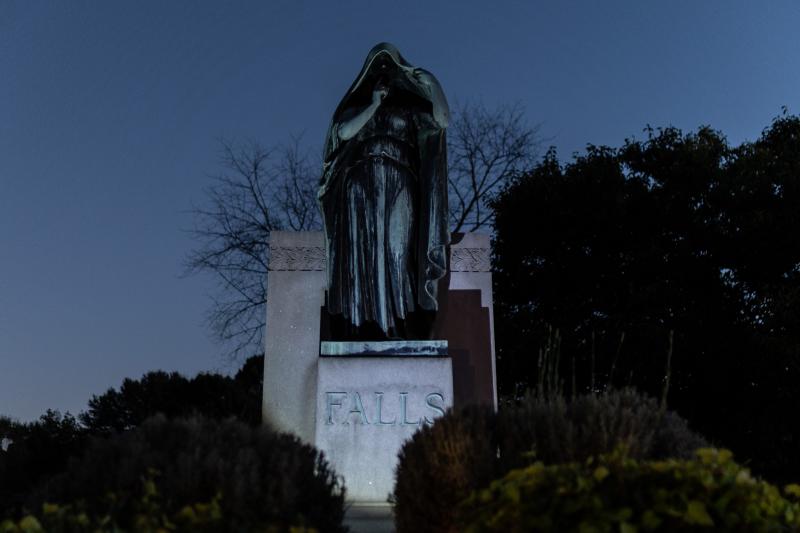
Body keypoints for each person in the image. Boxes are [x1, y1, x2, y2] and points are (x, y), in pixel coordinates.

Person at [318, 42, 450, 340]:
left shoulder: (410, 110)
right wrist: (374, 105)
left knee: (398, 252)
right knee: (362, 255)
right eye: (377, 70)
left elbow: (442, 120)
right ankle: (362, 328)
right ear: (367, 76)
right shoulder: (355, 108)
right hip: (359, 185)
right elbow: (343, 133)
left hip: (401, 180)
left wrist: (430, 81)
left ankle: (401, 327)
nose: (384, 75)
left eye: (390, 69)